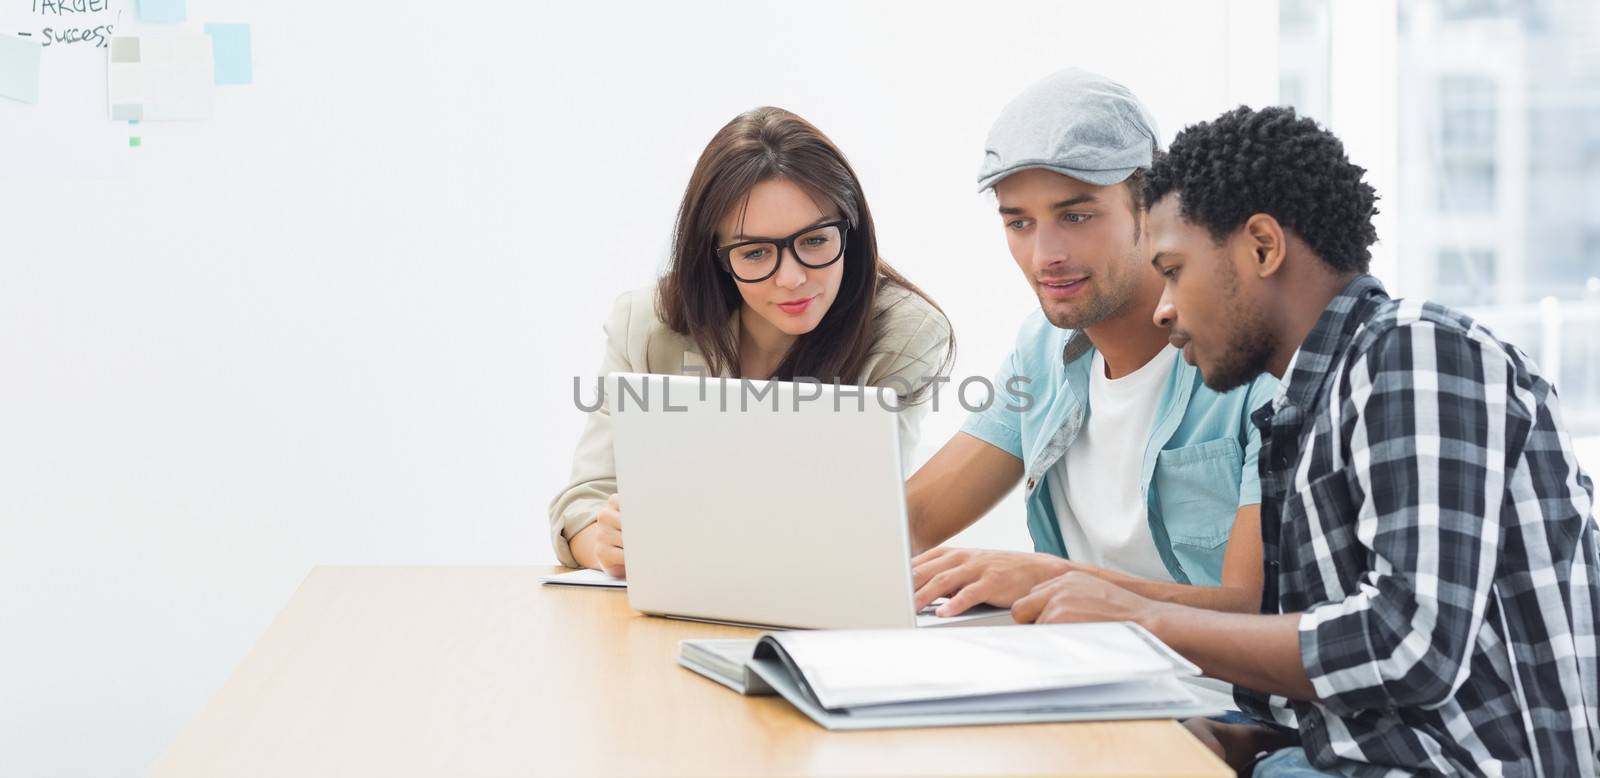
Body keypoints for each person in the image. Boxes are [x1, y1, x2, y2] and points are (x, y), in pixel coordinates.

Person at [1015, 104, 1600, 776]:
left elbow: (1409, 647)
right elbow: (1345, 675)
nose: (1163, 308)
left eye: (1174, 269)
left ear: (1263, 247)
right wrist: (1250, 738)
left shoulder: (1415, 350)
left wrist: (1141, 619)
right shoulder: (1301, 410)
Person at [908, 69, 1276, 619]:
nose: (1044, 256)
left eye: (1075, 216)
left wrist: (1056, 580)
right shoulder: (1041, 351)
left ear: (1152, 208)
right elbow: (912, 522)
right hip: (1077, 679)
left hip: (1214, 698)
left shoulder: (1249, 363)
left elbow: (1255, 611)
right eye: (1019, 223)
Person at [549, 106, 953, 577]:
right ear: (717, 256)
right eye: (756, 252)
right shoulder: (646, 323)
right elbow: (584, 500)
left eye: (816, 241)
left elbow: (873, 521)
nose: (792, 278)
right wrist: (605, 545)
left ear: (852, 230)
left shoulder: (906, 333)